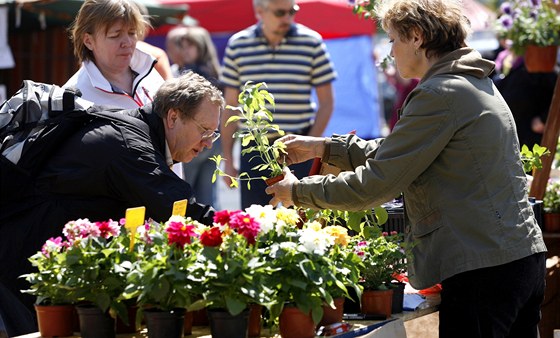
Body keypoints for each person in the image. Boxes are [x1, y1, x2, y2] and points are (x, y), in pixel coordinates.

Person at [265, 1, 547, 337]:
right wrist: (325, 147)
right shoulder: (469, 81)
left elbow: (375, 183)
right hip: (514, 258)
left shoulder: (440, 93)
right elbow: (402, 152)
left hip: (484, 268)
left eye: (393, 39)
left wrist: (296, 192)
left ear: (416, 37)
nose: (391, 50)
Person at [0, 72, 223, 336]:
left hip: (37, 254)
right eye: (205, 131)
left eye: (214, 133)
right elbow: (181, 209)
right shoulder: (130, 145)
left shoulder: (134, 129)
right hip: (26, 257)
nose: (209, 143)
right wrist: (246, 231)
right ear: (173, 117)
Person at [220, 0, 336, 209]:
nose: (287, 18)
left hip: (299, 145)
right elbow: (230, 106)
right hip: (254, 147)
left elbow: (327, 102)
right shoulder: (238, 44)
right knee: (255, 222)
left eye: (292, 11)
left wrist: (310, 144)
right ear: (259, 11)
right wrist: (228, 159)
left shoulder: (311, 42)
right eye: (280, 12)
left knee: (305, 223)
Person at [63, 0, 164, 109]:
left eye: (132, 33)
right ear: (89, 41)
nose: (128, 43)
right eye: (115, 35)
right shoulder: (75, 97)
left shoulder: (148, 71)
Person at [166, 25, 223, 205]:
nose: (184, 51)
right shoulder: (215, 71)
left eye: (188, 46)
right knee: (208, 195)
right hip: (214, 139)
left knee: (186, 188)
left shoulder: (189, 73)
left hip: (197, 136)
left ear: (200, 47)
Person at [492, 43, 557, 149]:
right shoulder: (509, 60)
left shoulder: (540, 66)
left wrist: (544, 119)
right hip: (513, 132)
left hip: (532, 135)